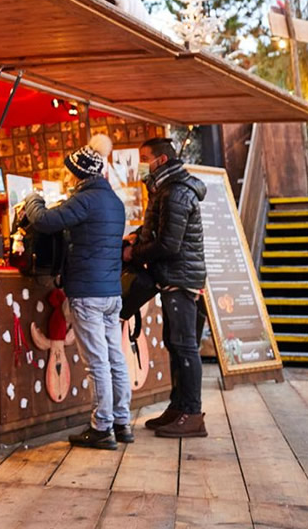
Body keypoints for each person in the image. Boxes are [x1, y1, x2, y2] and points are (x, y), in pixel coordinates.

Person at [20, 134, 131, 450]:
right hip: (111, 292)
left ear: (81, 172)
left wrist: (33, 198)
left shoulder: (85, 200)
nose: (69, 176)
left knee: (97, 361)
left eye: (72, 171)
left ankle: (101, 428)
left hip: (88, 292)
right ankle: (122, 422)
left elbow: (44, 220)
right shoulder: (113, 201)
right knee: (114, 357)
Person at [124, 137, 208, 439]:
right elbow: (160, 230)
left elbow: (169, 244)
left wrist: (135, 252)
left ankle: (193, 414)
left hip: (181, 279)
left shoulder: (175, 192)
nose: (143, 164)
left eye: (146, 158)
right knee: (175, 344)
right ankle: (179, 407)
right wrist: (138, 237)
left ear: (160, 160)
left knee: (184, 345)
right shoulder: (166, 189)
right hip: (174, 276)